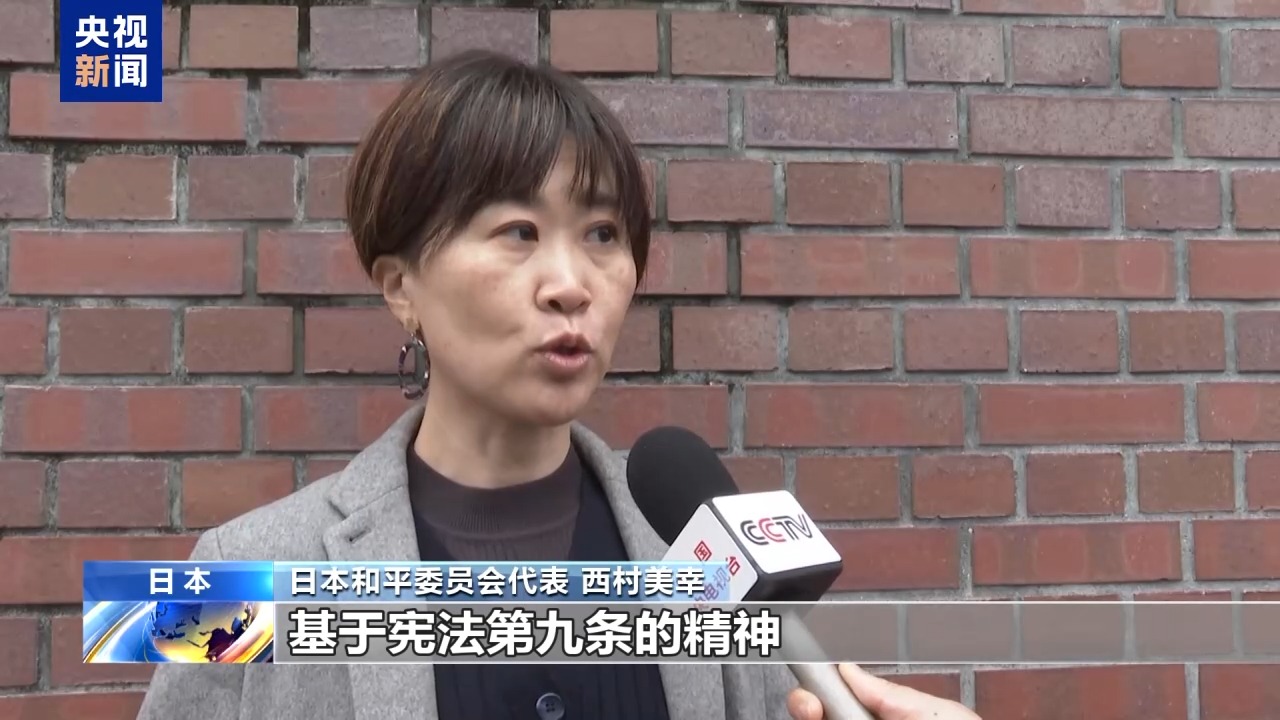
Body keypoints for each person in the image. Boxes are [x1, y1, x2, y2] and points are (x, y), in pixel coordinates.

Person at [135, 50, 979, 720]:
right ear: (401, 287)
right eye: (517, 231)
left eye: (603, 233)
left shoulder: (708, 564)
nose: (571, 284)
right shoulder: (241, 571)